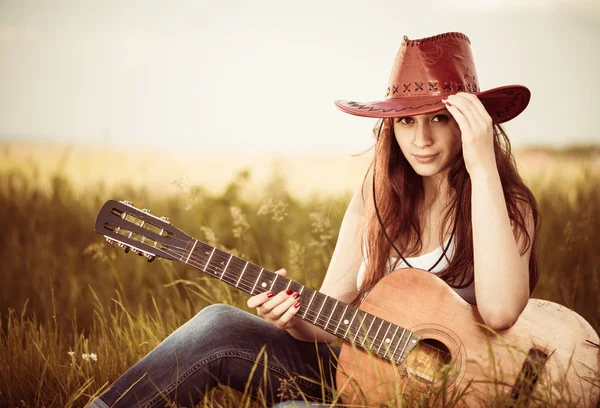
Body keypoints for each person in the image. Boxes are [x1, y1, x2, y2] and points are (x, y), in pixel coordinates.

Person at [87, 31, 539, 408]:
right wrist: (291, 319)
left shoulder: (506, 201)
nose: (420, 139)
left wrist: (482, 168)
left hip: (466, 395)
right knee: (218, 324)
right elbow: (330, 315)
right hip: (364, 377)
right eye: (405, 121)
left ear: (471, 122)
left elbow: (501, 311)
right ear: (390, 126)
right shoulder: (377, 196)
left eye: (439, 118)